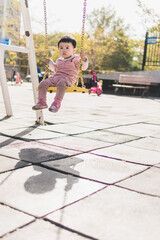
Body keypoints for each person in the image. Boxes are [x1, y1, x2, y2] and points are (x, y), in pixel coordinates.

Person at [32, 35, 88, 112]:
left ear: (74, 50)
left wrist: (84, 59)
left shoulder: (75, 59)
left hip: (68, 80)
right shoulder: (59, 60)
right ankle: (42, 101)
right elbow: (55, 69)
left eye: (67, 48)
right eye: (61, 48)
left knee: (61, 82)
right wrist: (50, 63)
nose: (63, 50)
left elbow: (83, 67)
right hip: (56, 79)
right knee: (43, 83)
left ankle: (57, 102)